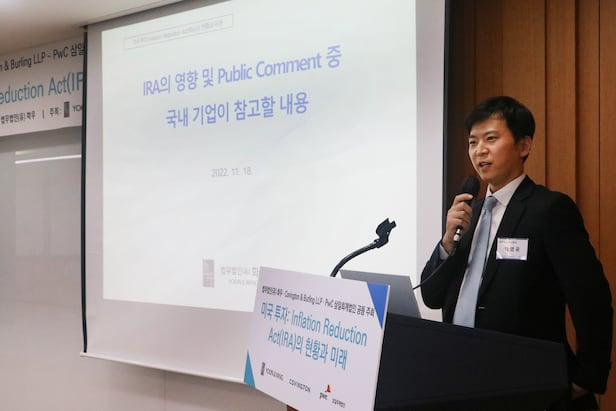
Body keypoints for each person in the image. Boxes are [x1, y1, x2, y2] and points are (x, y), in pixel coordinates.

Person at [420, 96, 612, 411]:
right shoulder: (469, 214)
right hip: (464, 377)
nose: (479, 150)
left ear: (524, 145)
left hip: (528, 384)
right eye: (473, 142)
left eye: (490, 139)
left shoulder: (548, 210)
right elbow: (431, 296)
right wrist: (447, 242)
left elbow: (591, 298)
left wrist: (588, 376)